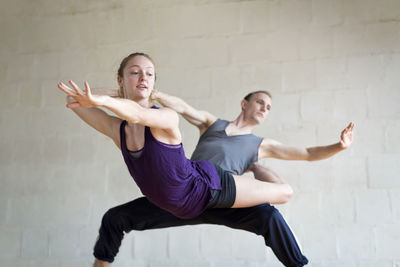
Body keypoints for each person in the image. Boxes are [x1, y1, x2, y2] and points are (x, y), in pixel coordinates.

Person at [58, 52, 313, 266]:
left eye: (149, 73)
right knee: (114, 218)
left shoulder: (166, 117)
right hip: (174, 206)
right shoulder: (118, 130)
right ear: (121, 79)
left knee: (281, 198)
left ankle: (256, 166)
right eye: (135, 72)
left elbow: (137, 114)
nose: (143, 77)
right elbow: (74, 99)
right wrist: (116, 93)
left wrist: (104, 99)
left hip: (207, 188)